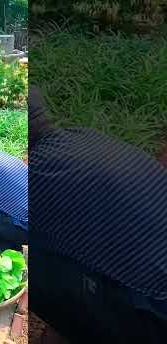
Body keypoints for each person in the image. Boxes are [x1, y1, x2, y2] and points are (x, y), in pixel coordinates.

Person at [29, 86, 167, 343]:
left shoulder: (38, 172)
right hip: (155, 273)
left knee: (27, 262)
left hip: (156, 310)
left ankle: (81, 328)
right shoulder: (82, 134)